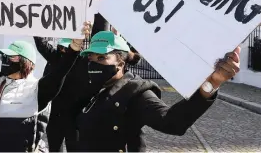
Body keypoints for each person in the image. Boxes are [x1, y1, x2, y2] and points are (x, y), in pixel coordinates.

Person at [59, 31, 240, 152]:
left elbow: (171, 122)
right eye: (91, 58)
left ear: (121, 63)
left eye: (102, 58)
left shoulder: (135, 92)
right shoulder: (92, 87)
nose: (94, 63)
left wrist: (211, 84)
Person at [0, 25, 90, 152]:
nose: (5, 60)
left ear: (26, 63)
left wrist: (74, 48)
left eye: (11, 57)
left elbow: (60, 71)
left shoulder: (37, 90)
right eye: (4, 57)